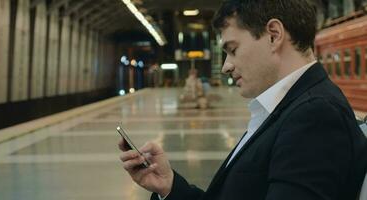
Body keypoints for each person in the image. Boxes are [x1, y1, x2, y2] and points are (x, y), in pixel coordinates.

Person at [119, 0, 367, 199]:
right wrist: (169, 186)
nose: (226, 66)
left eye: (233, 50)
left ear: (273, 35)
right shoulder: (289, 108)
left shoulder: (315, 117)